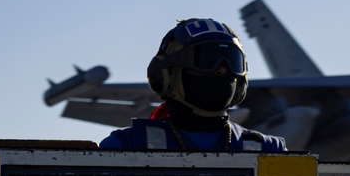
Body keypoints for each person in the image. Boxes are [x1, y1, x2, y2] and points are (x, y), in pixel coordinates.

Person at [100, 18, 286, 151]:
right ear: (168, 74)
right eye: (207, 60)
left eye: (231, 61)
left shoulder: (269, 150)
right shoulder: (127, 145)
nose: (221, 70)